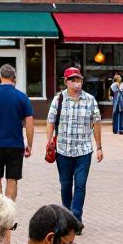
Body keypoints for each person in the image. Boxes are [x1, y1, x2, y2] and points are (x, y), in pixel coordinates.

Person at [46, 67, 102, 230]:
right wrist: (49, 141)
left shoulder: (90, 100)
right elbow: (50, 121)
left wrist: (99, 147)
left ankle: (76, 218)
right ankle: (66, 217)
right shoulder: (58, 100)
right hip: (63, 150)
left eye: (79, 79)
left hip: (84, 150)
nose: (77, 83)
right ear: (66, 81)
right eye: (73, 79)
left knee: (80, 184)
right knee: (65, 185)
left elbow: (97, 123)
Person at [0, 64, 34, 201]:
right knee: (12, 178)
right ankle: (9, 210)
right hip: (15, 144)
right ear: (14, 77)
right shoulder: (22, 97)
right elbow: (29, 123)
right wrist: (29, 144)